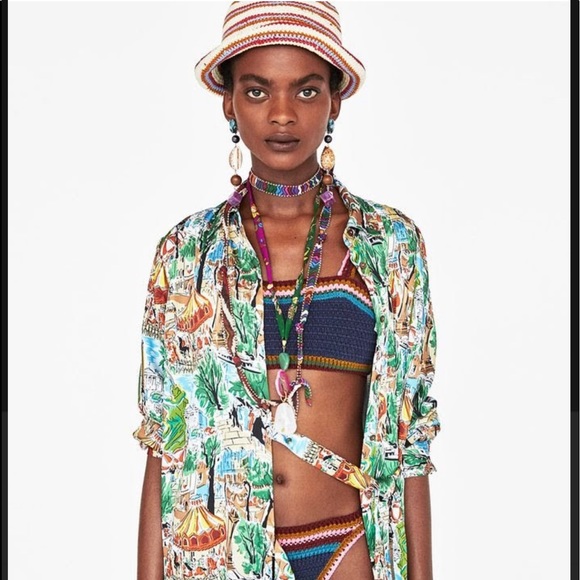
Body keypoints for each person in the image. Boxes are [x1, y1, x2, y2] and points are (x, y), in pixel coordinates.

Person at [134, 1, 441, 579]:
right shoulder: (186, 253)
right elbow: (163, 444)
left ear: (335, 100)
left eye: (306, 90)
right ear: (228, 102)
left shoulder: (391, 245)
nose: (281, 115)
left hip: (349, 547)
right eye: (256, 91)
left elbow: (410, 442)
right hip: (222, 557)